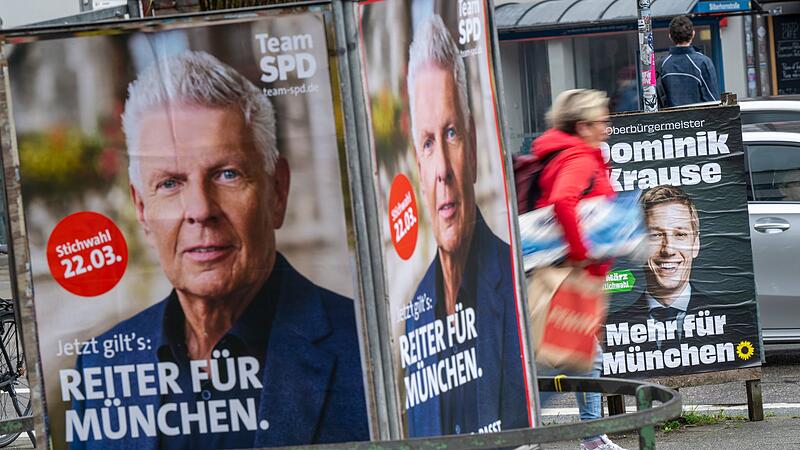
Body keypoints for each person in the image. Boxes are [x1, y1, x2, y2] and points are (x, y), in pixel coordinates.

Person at [68, 51, 368, 449]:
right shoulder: (99, 366)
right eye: (171, 184)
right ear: (142, 208)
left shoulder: (363, 351)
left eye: (227, 175)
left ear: (277, 191)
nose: (201, 210)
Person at [403, 15, 528, 437]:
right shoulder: (416, 310)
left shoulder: (510, 279)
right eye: (426, 142)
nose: (442, 170)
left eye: (451, 133)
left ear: (473, 149)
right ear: (417, 167)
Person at [531, 89, 625, 450]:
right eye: (602, 122)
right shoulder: (578, 158)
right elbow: (562, 201)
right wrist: (581, 252)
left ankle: (590, 436)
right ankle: (523, 432)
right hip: (570, 274)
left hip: (571, 273)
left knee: (579, 354)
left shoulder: (571, 154)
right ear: (583, 125)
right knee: (569, 355)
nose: (608, 128)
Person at [615, 185, 711, 351]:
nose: (668, 250)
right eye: (655, 235)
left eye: (680, 235)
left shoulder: (737, 319)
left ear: (696, 244)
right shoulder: (610, 330)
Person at [657, 15, 720, 107]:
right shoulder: (703, 62)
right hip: (699, 120)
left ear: (670, 36)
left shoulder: (661, 64)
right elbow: (713, 101)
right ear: (693, 34)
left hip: (670, 120)